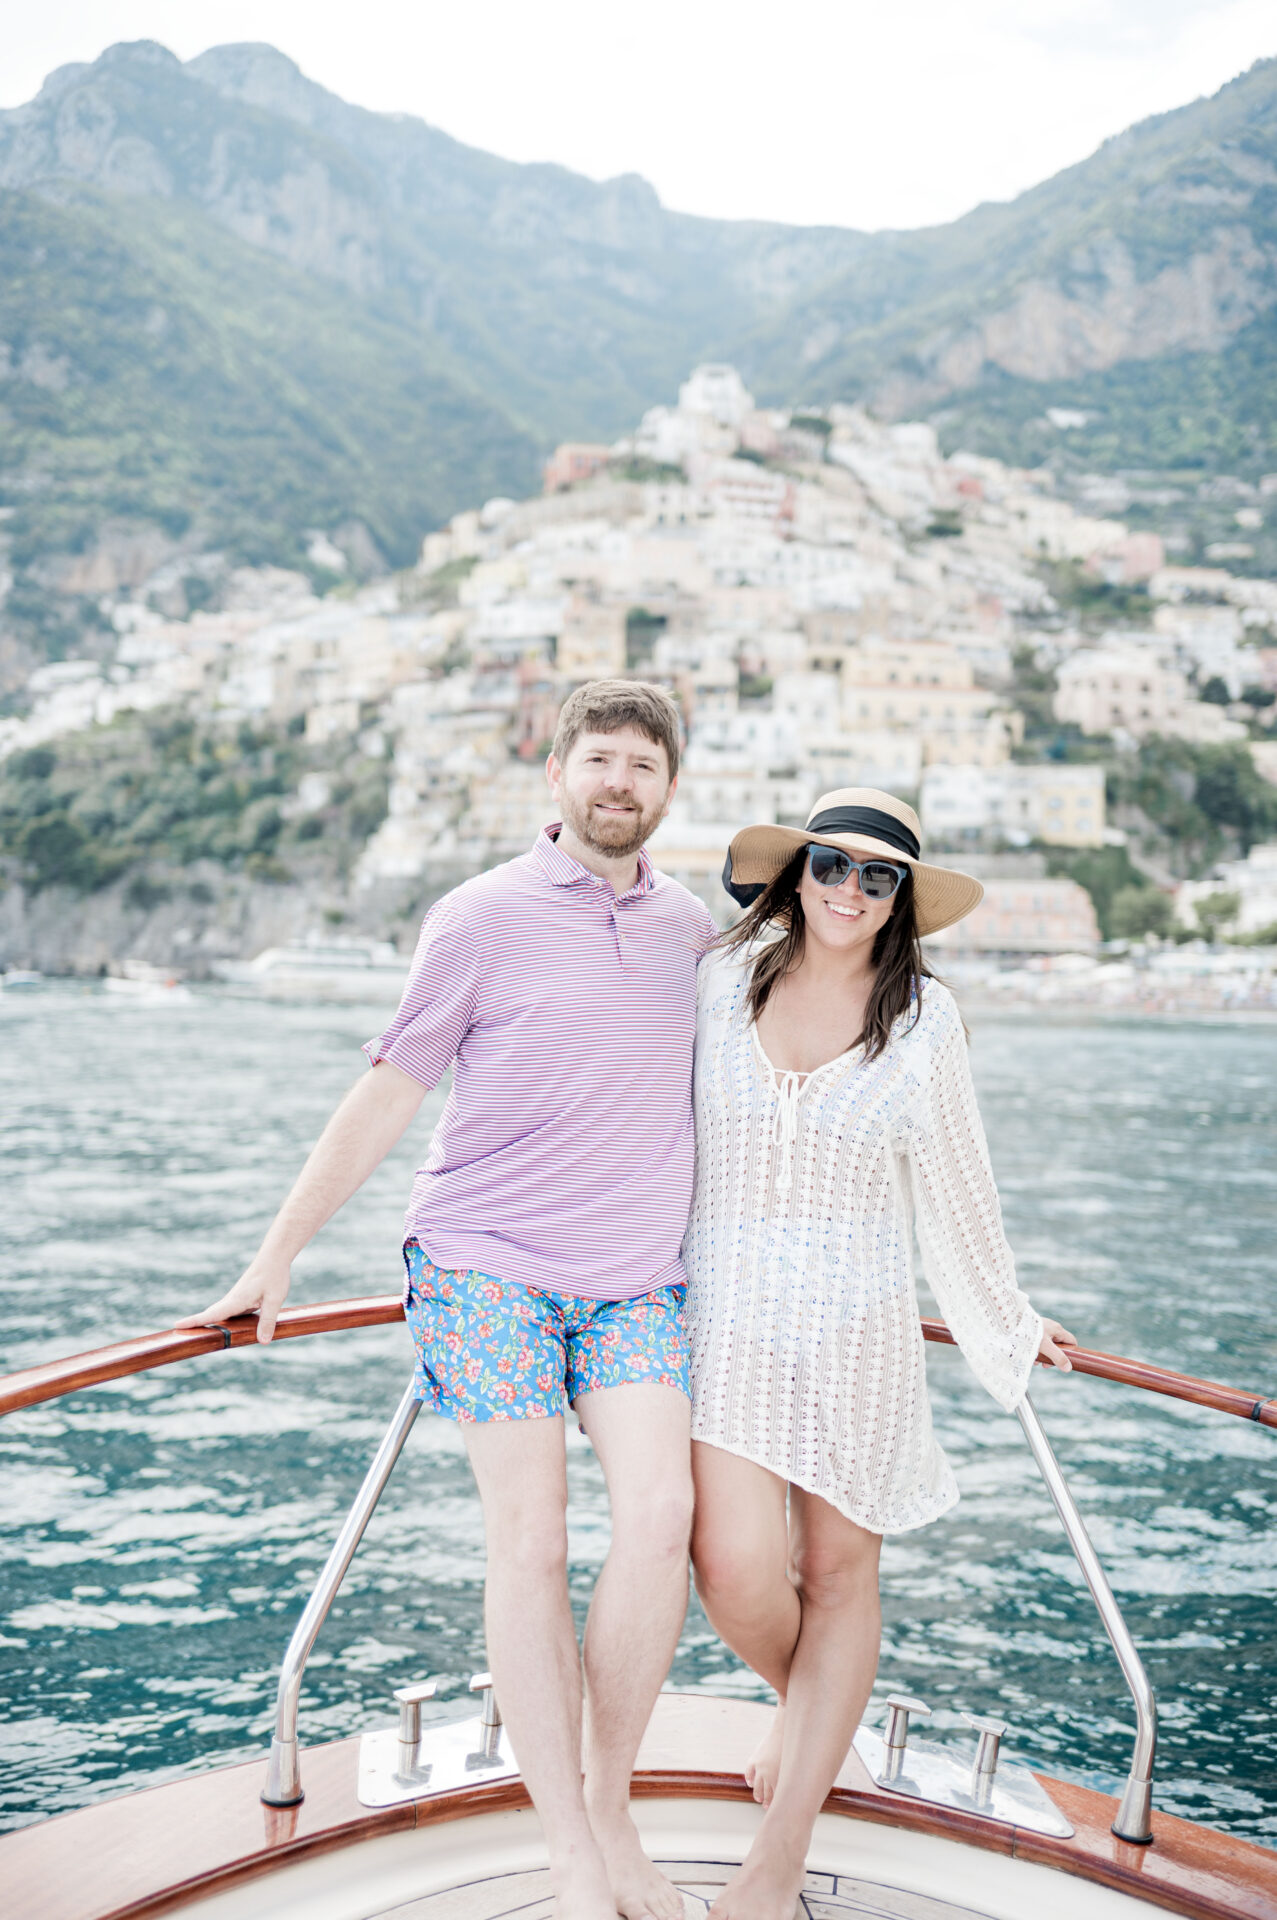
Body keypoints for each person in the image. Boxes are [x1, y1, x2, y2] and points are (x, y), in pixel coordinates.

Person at [179, 680, 718, 1920]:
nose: (618, 783)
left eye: (642, 764)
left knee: (660, 1520)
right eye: (598, 759)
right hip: (484, 1263)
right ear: (555, 774)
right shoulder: (476, 916)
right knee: (529, 1539)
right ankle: (570, 1851)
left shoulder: (690, 928)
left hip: (636, 1276)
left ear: (669, 788)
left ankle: (612, 1807)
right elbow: (390, 1086)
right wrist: (279, 1253)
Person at [684, 787, 1078, 1920]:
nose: (846, 891)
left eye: (875, 876)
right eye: (828, 866)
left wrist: (1001, 1316)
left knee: (842, 1575)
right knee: (734, 1568)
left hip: (858, 1334)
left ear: (900, 897)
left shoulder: (924, 1019)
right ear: (792, 873)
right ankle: (817, 1718)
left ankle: (779, 1854)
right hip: (725, 1329)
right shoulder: (719, 984)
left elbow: (958, 1186)